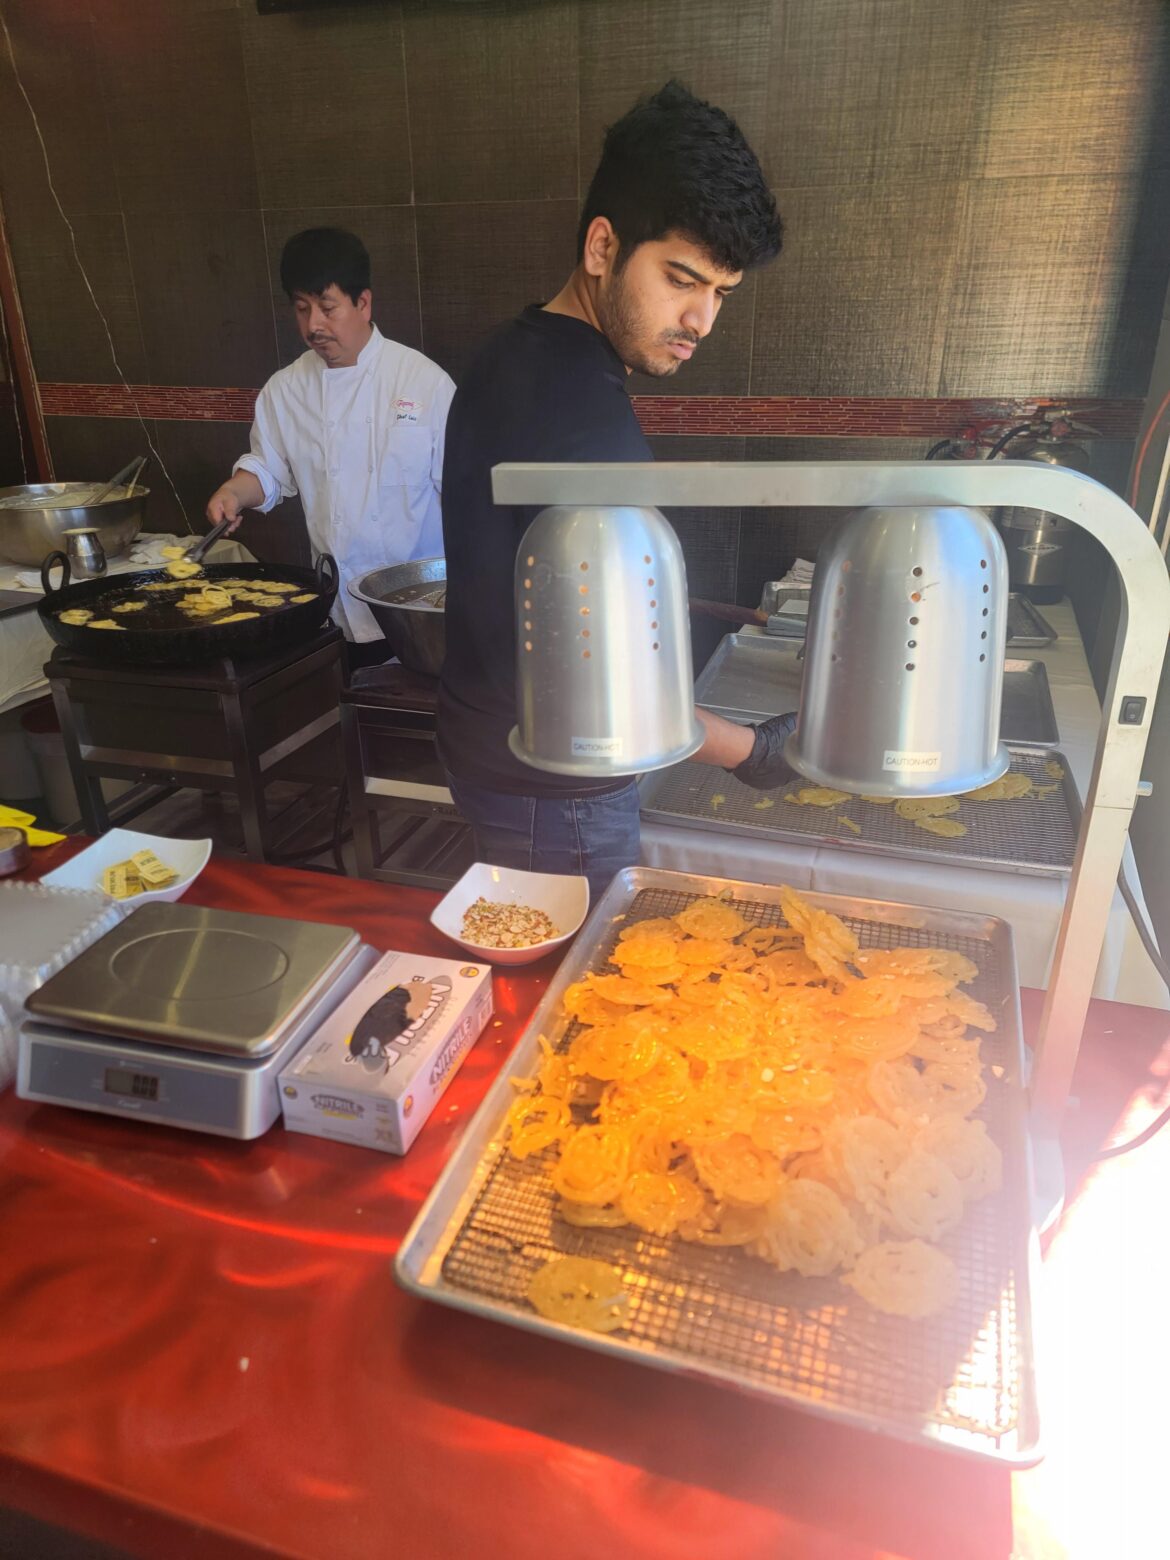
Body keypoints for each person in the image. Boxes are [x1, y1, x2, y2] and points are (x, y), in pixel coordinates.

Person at [439, 81, 797, 899]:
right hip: (555, 793)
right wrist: (755, 752)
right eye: (681, 278)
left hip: (492, 751)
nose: (702, 319)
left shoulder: (514, 351)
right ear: (602, 246)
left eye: (720, 293)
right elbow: (619, 693)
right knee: (580, 1006)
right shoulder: (583, 418)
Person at [206, 227, 454, 668]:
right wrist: (233, 492)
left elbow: (462, 494)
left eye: (327, 308)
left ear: (363, 303)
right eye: (302, 310)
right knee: (357, 718)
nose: (313, 325)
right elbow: (266, 470)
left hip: (422, 611)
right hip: (336, 609)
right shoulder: (286, 390)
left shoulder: (422, 382)